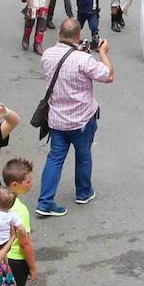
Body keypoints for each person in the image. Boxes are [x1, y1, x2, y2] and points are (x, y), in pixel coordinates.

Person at [37, 18, 114, 217]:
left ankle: (45, 201)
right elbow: (108, 76)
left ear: (59, 34)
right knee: (83, 155)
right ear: (78, 36)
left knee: (55, 158)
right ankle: (83, 192)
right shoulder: (83, 60)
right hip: (81, 119)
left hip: (56, 119)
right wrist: (103, 53)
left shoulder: (47, 55)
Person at [0, 157, 37, 286]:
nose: (31, 184)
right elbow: (25, 243)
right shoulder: (20, 210)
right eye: (28, 181)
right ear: (15, 184)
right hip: (16, 260)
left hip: (0, 256)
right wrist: (32, 267)